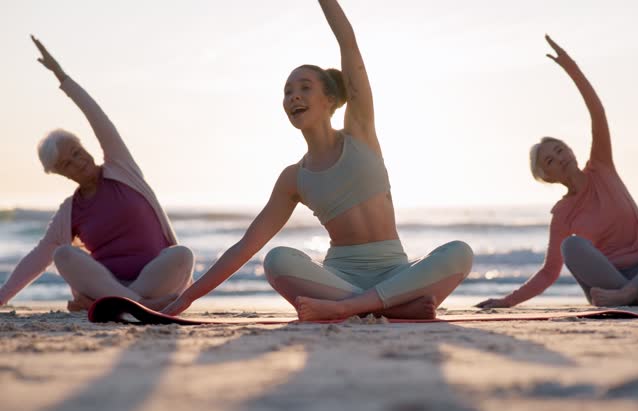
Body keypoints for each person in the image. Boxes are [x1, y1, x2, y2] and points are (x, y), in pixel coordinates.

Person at [162, 0, 473, 320]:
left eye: (304, 87)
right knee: (276, 260)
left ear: (330, 100)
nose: (293, 96)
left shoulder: (360, 132)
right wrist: (186, 299)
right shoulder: (294, 178)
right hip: (339, 279)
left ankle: (353, 307)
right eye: (287, 91)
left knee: (459, 252)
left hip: (395, 271)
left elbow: (347, 43)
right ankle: (391, 307)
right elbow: (246, 247)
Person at [476, 36, 638, 309]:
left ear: (570, 150)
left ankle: (634, 294)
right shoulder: (563, 213)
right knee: (571, 247)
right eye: (550, 161)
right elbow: (550, 271)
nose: (559, 158)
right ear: (547, 177)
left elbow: (597, 113)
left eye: (560, 150)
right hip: (610, 284)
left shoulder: (601, 166)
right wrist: (506, 301)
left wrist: (570, 67)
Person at [0, 36, 194, 311]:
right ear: (59, 173)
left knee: (182, 255)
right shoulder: (69, 212)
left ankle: (116, 304)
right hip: (109, 285)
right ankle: (136, 305)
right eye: (68, 164)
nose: (78, 162)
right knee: (63, 254)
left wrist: (62, 76)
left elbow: (96, 115)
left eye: (77, 152)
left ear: (84, 146)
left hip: (156, 280)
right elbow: (36, 260)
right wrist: (1, 297)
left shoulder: (121, 168)